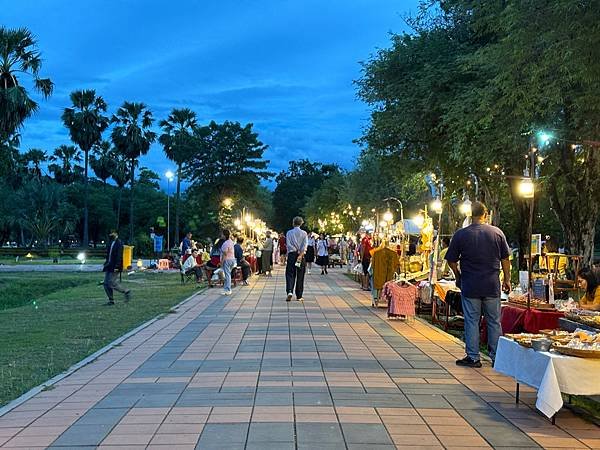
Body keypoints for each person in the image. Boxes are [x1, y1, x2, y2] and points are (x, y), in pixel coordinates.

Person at [445, 201, 511, 368]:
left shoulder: (461, 235)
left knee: (471, 321)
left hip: (470, 284)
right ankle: (498, 358)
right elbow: (505, 259)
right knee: (494, 322)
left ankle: (473, 357)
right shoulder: (497, 233)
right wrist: (507, 279)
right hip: (491, 284)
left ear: (470, 215)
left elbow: (451, 260)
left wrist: (458, 276)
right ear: (486, 214)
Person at [102, 230, 131, 305]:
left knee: (111, 282)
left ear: (116, 234)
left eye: (112, 233)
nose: (111, 234)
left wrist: (117, 266)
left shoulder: (119, 243)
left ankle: (126, 291)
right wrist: (106, 263)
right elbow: (109, 254)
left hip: (115, 266)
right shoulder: (111, 242)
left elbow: (119, 256)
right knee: (105, 283)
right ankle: (111, 300)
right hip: (109, 265)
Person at [285, 216, 308, 302]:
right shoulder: (304, 233)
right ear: (301, 223)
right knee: (300, 275)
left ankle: (289, 291)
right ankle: (299, 295)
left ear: (293, 223)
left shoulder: (289, 233)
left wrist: (294, 249)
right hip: (300, 256)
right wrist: (301, 253)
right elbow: (305, 245)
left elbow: (288, 244)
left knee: (290, 273)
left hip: (292, 255)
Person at [220, 229, 236, 295]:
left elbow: (225, 254)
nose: (221, 235)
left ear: (224, 235)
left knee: (227, 275)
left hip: (227, 260)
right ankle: (225, 289)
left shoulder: (226, 243)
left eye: (222, 234)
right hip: (232, 259)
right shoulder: (231, 241)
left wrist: (221, 262)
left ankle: (228, 289)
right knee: (227, 274)